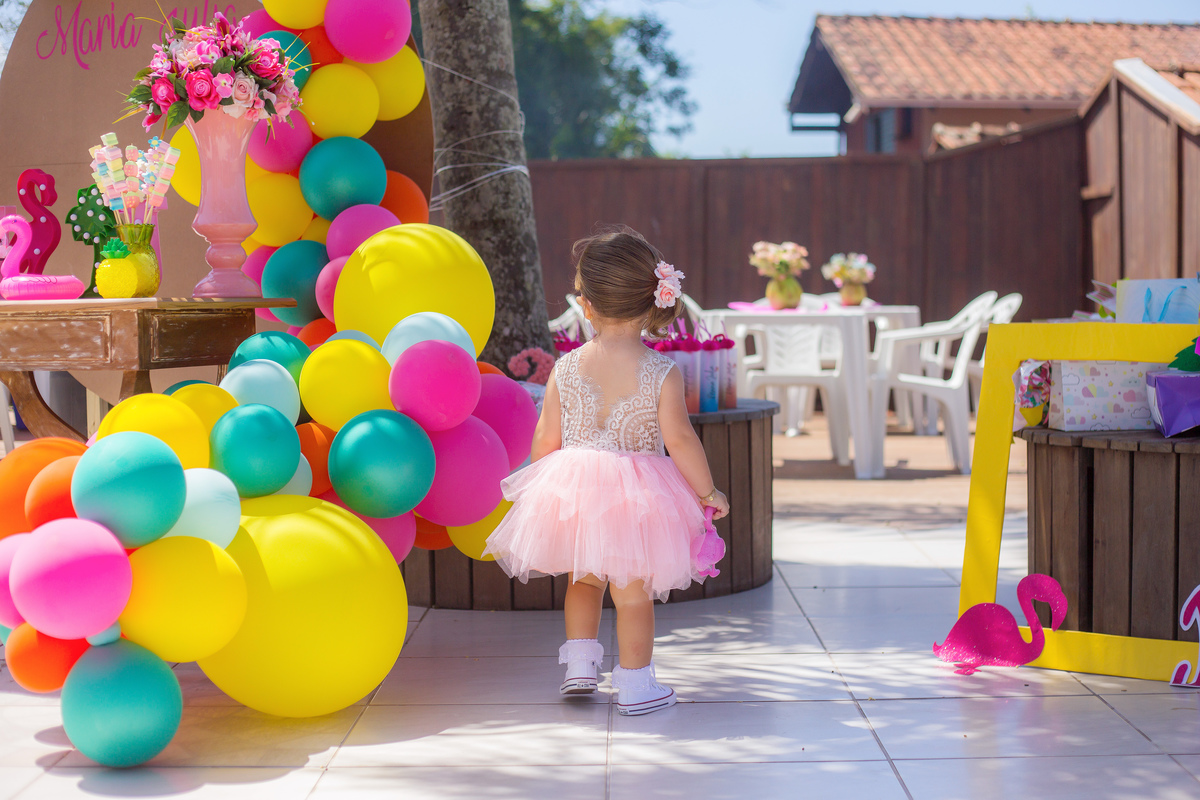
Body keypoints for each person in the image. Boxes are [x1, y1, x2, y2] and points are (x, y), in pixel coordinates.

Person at [484, 227, 730, 716]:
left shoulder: (566, 367)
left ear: (587, 306)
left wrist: (542, 487)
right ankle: (637, 686)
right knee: (633, 595)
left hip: (576, 489)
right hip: (638, 498)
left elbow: (546, 439)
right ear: (651, 303)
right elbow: (680, 439)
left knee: (584, 581)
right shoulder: (660, 371)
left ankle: (579, 668)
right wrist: (708, 490)